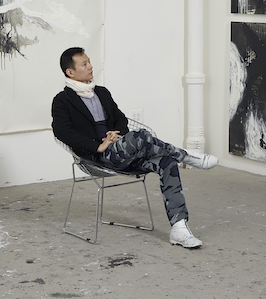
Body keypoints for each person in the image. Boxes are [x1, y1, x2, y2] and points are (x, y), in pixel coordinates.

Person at [51, 47, 219, 248]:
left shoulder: (101, 93)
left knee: (167, 163)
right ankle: (187, 156)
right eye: (84, 64)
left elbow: (121, 119)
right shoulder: (62, 101)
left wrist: (115, 133)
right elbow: (63, 132)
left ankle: (179, 228)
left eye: (89, 61)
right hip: (98, 158)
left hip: (122, 150)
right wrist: (99, 146)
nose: (90, 66)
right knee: (141, 137)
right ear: (70, 72)